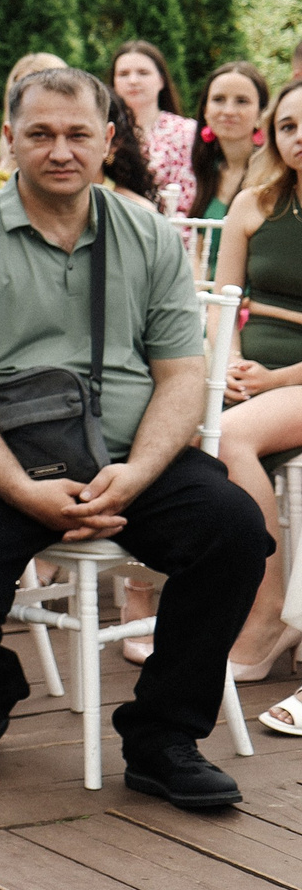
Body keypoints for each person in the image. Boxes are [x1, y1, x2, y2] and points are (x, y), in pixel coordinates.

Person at [0, 66, 270, 807]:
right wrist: (21, 490)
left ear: (108, 141)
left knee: (233, 531)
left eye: (78, 134)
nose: (60, 150)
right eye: (39, 133)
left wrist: (137, 473)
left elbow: (179, 374)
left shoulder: (147, 234)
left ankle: (161, 733)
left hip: (132, 454)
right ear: (9, 141)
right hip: (3, 457)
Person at [205, 78, 302, 711]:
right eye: (290, 126)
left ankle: (266, 615)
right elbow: (221, 304)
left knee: (233, 436)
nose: (301, 137)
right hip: (250, 372)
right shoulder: (254, 204)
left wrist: (279, 379)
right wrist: (232, 360)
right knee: (177, 432)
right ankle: (206, 608)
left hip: (296, 380)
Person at [112, 40, 199, 215]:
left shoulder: (186, 131)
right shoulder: (105, 132)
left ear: (161, 80)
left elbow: (188, 197)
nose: (133, 81)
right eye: (123, 74)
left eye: (143, 73)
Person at [191, 61, 274, 221]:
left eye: (242, 101)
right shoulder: (201, 167)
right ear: (205, 111)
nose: (228, 111)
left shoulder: (272, 175)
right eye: (219, 99)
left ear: (261, 113)